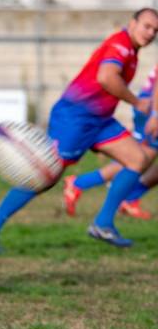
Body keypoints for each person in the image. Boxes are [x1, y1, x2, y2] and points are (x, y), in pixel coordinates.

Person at [0, 7, 158, 251]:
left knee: (138, 159)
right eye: (146, 26)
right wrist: (137, 102)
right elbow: (107, 77)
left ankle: (103, 223)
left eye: (155, 30)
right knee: (45, 175)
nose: (150, 33)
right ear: (132, 23)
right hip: (76, 118)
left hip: (100, 120)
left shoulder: (131, 50)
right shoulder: (121, 44)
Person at [63, 64, 158, 220]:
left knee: (142, 158)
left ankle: (129, 198)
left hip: (150, 106)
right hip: (152, 108)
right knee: (137, 159)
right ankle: (80, 184)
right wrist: (155, 114)